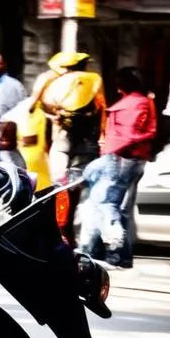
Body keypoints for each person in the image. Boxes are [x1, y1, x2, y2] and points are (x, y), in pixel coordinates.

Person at [81, 67, 157, 270]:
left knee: (106, 205)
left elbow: (128, 135)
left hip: (119, 158)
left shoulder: (132, 104)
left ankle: (114, 254)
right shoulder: (143, 102)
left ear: (121, 85)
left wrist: (107, 155)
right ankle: (114, 255)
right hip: (130, 158)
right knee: (114, 207)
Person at [37, 51, 106, 245]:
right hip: (82, 144)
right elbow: (100, 109)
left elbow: (45, 107)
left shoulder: (56, 83)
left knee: (62, 187)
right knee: (76, 192)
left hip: (65, 142)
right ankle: (72, 234)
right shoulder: (93, 81)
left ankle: (63, 231)